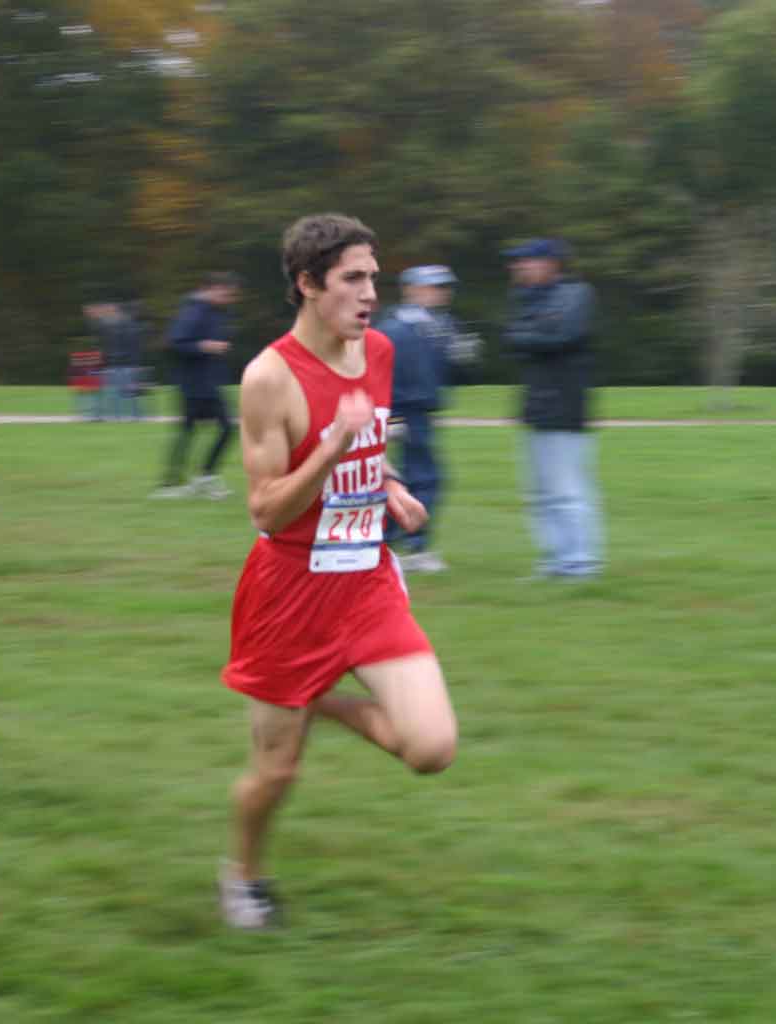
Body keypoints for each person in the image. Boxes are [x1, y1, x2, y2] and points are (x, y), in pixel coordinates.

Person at [217, 214, 458, 929]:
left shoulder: (376, 350)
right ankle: (243, 879)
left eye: (374, 278)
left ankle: (316, 700)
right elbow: (265, 510)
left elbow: (366, 445)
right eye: (353, 279)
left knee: (432, 748)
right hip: (290, 595)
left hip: (365, 581)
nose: (371, 293)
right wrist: (330, 449)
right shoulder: (268, 378)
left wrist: (387, 483)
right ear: (308, 283)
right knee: (276, 771)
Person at [504, 238, 603, 579]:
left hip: (565, 405)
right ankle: (555, 560)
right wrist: (536, 332)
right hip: (537, 406)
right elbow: (513, 338)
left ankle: (580, 562)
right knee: (540, 493)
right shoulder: (523, 298)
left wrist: (531, 335)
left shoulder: (576, 293)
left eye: (526, 261)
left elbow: (564, 336)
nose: (518, 267)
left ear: (550, 263)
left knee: (568, 490)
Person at [376, 265, 460, 573]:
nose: (440, 293)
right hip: (404, 411)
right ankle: (412, 546)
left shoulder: (438, 326)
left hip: (420, 410)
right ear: (411, 290)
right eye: (433, 287)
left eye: (443, 287)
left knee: (413, 478)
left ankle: (390, 545)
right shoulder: (396, 328)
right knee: (423, 478)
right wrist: (394, 418)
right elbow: (383, 375)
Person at [151, 273, 237, 500]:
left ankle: (177, 482)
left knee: (191, 432)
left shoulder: (213, 312)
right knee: (225, 429)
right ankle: (198, 479)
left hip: (208, 383)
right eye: (225, 293)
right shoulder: (193, 311)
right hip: (196, 385)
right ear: (211, 289)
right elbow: (175, 343)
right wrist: (204, 346)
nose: (228, 299)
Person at [96, 299, 144, 422]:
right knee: (124, 391)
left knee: (120, 391)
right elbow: (133, 347)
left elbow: (132, 346)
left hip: (119, 363)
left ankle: (123, 416)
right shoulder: (117, 326)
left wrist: (134, 364)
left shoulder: (118, 326)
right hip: (120, 363)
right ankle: (130, 416)